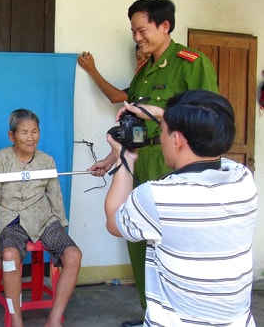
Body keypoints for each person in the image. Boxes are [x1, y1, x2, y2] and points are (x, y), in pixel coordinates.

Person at [88, 0, 219, 327]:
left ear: (165, 26)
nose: (137, 38)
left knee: (174, 248)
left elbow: (209, 118)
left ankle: (182, 318)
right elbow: (134, 127)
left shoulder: (191, 63)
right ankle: (152, 316)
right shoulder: (143, 72)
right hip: (138, 171)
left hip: (173, 170)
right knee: (140, 246)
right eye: (133, 31)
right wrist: (110, 158)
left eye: (142, 30)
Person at [103, 90, 257, 326]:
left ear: (178, 140)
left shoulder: (159, 196)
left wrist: (124, 159)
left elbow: (114, 221)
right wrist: (167, 116)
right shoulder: (242, 178)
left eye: (163, 131)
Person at [0, 109, 82, 327]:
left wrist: (62, 232)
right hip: (12, 221)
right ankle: (16, 320)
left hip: (44, 220)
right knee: (9, 256)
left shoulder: (47, 161)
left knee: (73, 255)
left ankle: (54, 320)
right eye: (24, 132)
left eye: (35, 132)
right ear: (12, 136)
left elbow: (55, 196)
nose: (30, 138)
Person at [78, 45, 149, 104]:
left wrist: (92, 70)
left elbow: (115, 97)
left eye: (147, 58)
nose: (143, 62)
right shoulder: (140, 82)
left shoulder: (155, 79)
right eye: (139, 58)